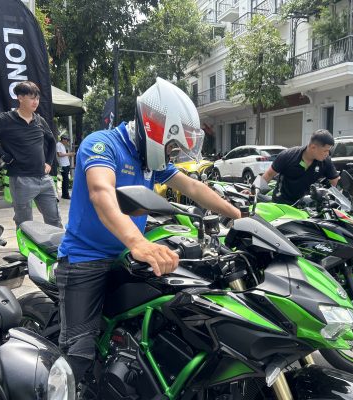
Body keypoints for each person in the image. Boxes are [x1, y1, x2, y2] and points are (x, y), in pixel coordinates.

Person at [56, 77, 241, 384]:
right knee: (79, 352)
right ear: (157, 131)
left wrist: (237, 215)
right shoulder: (102, 144)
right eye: (172, 147)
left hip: (126, 256)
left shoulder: (151, 160)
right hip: (85, 259)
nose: (173, 155)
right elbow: (101, 193)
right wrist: (138, 242)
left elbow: (193, 187)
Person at [0, 81, 62, 228]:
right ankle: (26, 244)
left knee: (55, 219)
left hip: (44, 178)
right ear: (20, 98)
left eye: (37, 98)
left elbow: (52, 141)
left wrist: (49, 162)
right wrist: (2, 155)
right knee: (24, 223)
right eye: (32, 98)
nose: (36, 102)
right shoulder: (5, 119)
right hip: (21, 179)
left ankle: (58, 243)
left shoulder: (39, 120)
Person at [258, 129, 340, 205]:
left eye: (329, 150)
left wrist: (329, 198)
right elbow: (269, 174)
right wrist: (255, 190)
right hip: (281, 203)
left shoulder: (325, 161)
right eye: (325, 150)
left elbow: (334, 180)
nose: (327, 154)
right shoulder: (288, 156)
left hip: (305, 205)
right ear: (313, 147)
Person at [56, 134, 74, 199]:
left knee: (66, 180)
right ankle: (65, 195)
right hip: (62, 165)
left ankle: (65, 194)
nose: (67, 141)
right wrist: (69, 154)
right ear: (63, 139)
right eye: (67, 140)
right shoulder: (58, 145)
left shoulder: (63, 145)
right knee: (65, 180)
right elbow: (59, 154)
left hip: (66, 164)